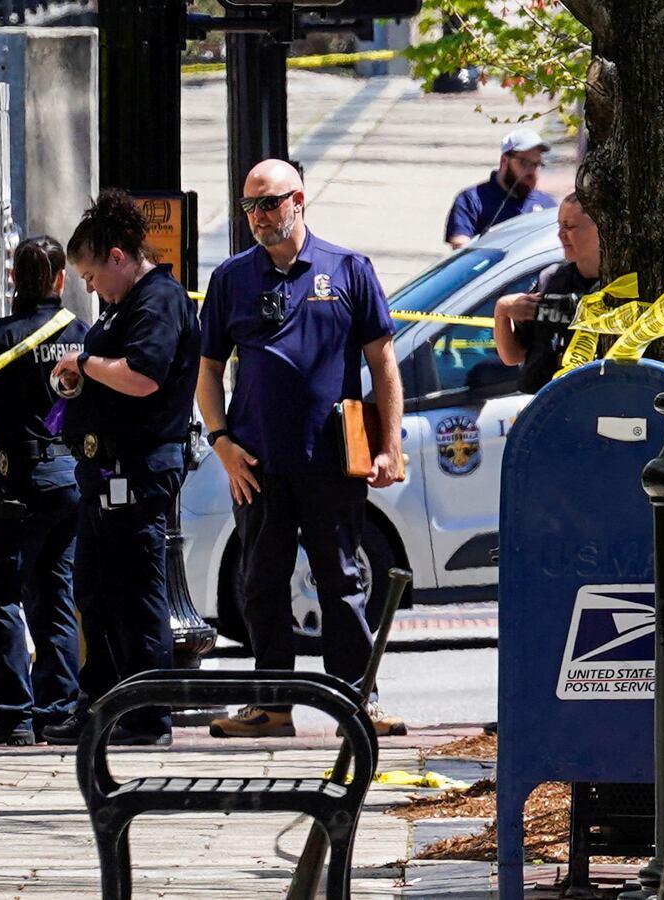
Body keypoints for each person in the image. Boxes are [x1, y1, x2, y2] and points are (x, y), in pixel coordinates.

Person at [198, 159, 407, 738]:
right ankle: (271, 706)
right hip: (257, 464)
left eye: (268, 203)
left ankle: (356, 702)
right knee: (260, 584)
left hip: (331, 460)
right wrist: (222, 443)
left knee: (341, 581)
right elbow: (208, 370)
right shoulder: (231, 279)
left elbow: (383, 365)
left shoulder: (348, 270)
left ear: (299, 201)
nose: (258, 217)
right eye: (248, 207)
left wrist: (389, 445)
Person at [40, 189, 201, 747]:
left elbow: (144, 376)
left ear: (117, 256)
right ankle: (104, 703)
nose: (88, 287)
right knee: (97, 590)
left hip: (135, 469)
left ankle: (147, 713)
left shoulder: (158, 301)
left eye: (90, 274)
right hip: (103, 471)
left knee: (135, 591)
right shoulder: (123, 307)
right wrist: (76, 379)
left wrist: (85, 361)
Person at [0, 236, 88, 747]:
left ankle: (9, 712)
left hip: (19, 485)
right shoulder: (78, 333)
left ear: (12, 280)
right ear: (60, 280)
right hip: (69, 480)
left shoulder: (2, 338)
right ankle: (58, 711)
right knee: (54, 596)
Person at [493, 193, 602, 394]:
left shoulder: (622, 286)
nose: (561, 235)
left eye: (569, 226)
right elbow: (513, 355)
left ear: (599, 228)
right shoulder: (551, 280)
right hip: (546, 403)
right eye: (560, 226)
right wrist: (502, 311)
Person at [444, 127, 558, 249]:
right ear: (504, 160)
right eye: (525, 163)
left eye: (537, 164)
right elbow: (461, 249)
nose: (532, 171)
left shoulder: (547, 204)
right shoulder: (472, 200)